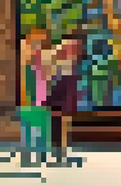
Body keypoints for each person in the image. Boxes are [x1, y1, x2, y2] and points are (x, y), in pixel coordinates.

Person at [19, 33, 54, 167]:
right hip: (30, 101)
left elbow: (47, 79)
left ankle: (40, 155)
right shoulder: (27, 65)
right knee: (29, 129)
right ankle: (29, 157)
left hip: (39, 100)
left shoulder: (42, 61)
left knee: (40, 129)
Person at [46, 37, 81, 166]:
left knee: (63, 127)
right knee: (56, 127)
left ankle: (61, 153)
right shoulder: (56, 64)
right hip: (56, 99)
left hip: (64, 100)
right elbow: (51, 84)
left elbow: (70, 87)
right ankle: (57, 153)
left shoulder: (71, 64)